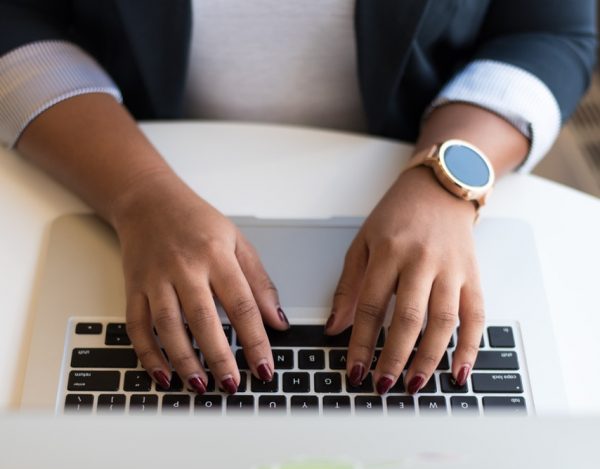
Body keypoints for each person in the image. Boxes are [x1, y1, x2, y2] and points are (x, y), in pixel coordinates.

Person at [0, 1, 596, 397]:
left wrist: (445, 181)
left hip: (408, 159)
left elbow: (547, 28)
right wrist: (137, 194)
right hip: (113, 149)